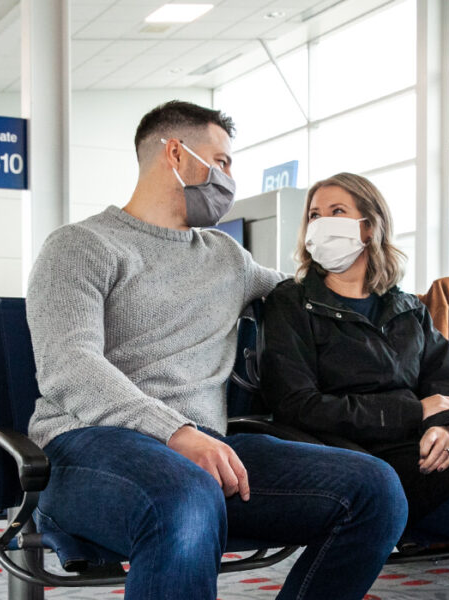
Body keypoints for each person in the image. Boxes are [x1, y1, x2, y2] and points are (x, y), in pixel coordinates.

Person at [25, 102, 407, 599]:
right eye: (222, 161)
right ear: (177, 155)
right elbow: (69, 365)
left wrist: (403, 303)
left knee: (375, 490)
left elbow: (312, 298)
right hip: (92, 446)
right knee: (184, 495)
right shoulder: (81, 245)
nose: (229, 177)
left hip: (206, 449)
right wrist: (175, 431)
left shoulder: (227, 257)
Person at [259, 172, 449, 600]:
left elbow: (443, 380)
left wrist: (446, 426)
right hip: (359, 462)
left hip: (427, 457)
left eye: (337, 212)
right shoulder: (292, 302)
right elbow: (296, 404)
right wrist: (416, 414)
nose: (321, 223)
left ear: (369, 226)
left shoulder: (406, 306)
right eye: (314, 214)